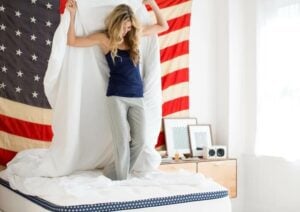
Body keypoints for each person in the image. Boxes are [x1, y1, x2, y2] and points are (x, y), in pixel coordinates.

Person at [66, 0, 168, 180]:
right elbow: (72, 41)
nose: (126, 30)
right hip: (116, 98)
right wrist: (73, 16)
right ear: (116, 23)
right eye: (124, 27)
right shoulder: (105, 39)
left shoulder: (135, 35)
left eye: (129, 27)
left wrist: (152, 3)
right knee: (121, 143)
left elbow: (163, 26)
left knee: (140, 141)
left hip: (137, 97)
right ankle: (122, 182)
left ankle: (114, 173)